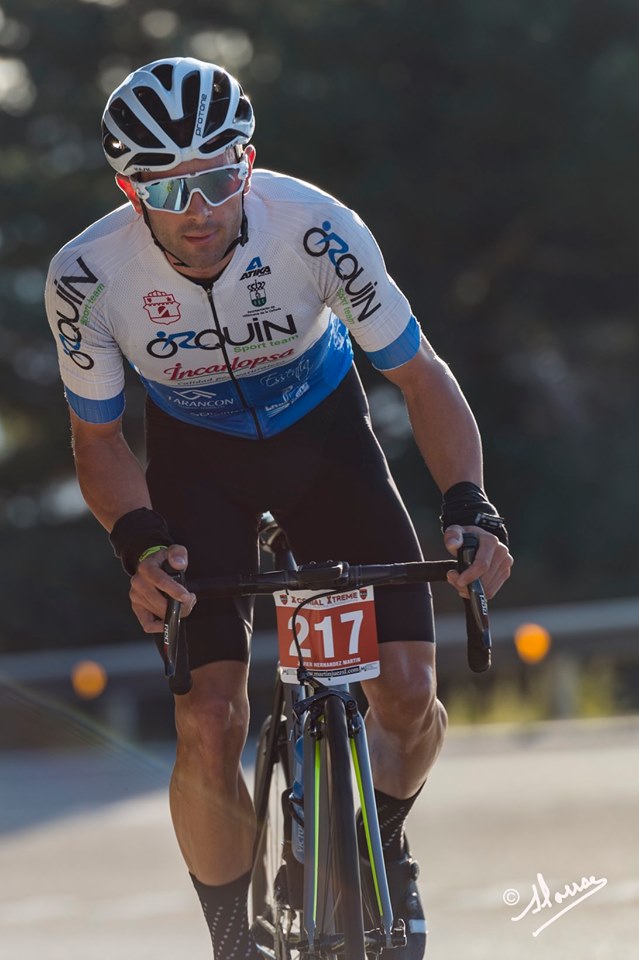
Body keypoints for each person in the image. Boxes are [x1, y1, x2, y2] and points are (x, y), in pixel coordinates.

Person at [45, 57, 512, 959]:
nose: (198, 208)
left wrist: (469, 504)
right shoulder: (86, 277)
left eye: (219, 177)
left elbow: (418, 376)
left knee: (408, 696)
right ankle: (232, 937)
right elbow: (99, 441)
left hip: (325, 448)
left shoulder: (315, 226)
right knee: (208, 717)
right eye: (167, 187)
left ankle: (380, 837)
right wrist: (139, 545)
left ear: (249, 162)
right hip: (195, 471)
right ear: (126, 187)